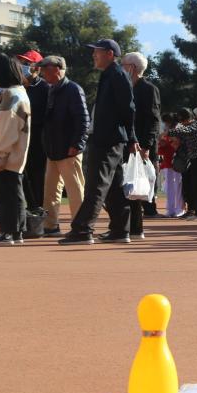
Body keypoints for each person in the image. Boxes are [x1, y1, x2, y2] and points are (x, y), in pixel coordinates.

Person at [60, 39, 138, 245]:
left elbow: (128, 109)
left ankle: (83, 230)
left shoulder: (117, 74)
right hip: (108, 138)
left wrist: (131, 137)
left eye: (97, 51)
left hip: (108, 139)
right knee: (114, 187)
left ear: (110, 54)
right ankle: (120, 230)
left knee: (96, 185)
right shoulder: (110, 74)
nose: (93, 55)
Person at [37, 55, 88, 236]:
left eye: (45, 69)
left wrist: (77, 144)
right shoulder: (51, 89)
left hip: (69, 149)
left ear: (57, 70)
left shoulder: (73, 89)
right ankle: (51, 226)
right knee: (50, 191)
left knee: (75, 190)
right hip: (53, 149)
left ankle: (80, 227)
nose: (42, 72)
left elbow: (83, 119)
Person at [0, 53, 32, 245]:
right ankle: (16, 231)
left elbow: (8, 128)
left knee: (5, 194)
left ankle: (7, 232)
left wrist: (0, 154)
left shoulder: (11, 95)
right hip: (16, 152)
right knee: (14, 192)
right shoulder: (19, 92)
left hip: (7, 154)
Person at [122, 52, 161, 238]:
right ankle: (125, 226)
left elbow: (153, 119)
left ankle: (135, 228)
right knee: (126, 186)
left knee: (135, 187)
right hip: (127, 143)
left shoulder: (148, 89)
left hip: (140, 146)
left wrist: (146, 146)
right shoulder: (127, 87)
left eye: (124, 65)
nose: (121, 68)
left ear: (132, 67)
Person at [17, 49, 47, 214]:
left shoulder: (45, 87)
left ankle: (38, 210)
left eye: (28, 63)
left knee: (37, 175)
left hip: (38, 139)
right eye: (22, 62)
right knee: (22, 174)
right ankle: (29, 208)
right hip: (21, 137)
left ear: (38, 67)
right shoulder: (18, 87)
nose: (24, 66)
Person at [158, 114, 184, 217]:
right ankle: (170, 209)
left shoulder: (179, 129)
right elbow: (160, 148)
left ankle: (179, 209)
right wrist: (161, 141)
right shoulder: (166, 132)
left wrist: (170, 141)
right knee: (169, 186)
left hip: (179, 161)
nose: (165, 124)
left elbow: (180, 144)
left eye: (167, 122)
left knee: (178, 185)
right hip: (168, 162)